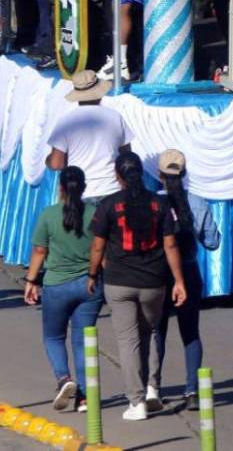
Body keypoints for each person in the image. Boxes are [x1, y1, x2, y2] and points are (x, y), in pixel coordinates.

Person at [87, 150, 188, 421]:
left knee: (128, 340)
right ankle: (153, 387)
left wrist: (92, 274)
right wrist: (179, 281)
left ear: (117, 176)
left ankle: (136, 400)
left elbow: (97, 246)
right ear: (141, 173)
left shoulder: (108, 205)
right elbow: (170, 245)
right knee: (150, 332)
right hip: (154, 280)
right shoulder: (159, 204)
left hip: (119, 280)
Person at [22, 166, 104, 414]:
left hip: (56, 284)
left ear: (60, 188)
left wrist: (31, 280)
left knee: (54, 337)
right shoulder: (95, 214)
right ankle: (84, 397)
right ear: (84, 188)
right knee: (82, 341)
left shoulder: (48, 215)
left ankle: (63, 378)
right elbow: (102, 249)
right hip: (89, 285)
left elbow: (39, 251)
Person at [150, 150, 220, 412]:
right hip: (189, 272)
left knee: (157, 331)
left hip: (159, 273)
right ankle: (192, 390)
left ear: (159, 175)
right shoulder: (197, 203)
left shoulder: (152, 203)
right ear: (185, 173)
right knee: (190, 332)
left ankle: (153, 388)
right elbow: (212, 242)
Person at [45, 69, 133, 204]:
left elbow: (56, 164)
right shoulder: (116, 117)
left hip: (80, 193)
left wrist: (48, 160)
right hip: (113, 191)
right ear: (100, 94)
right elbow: (127, 156)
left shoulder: (66, 122)